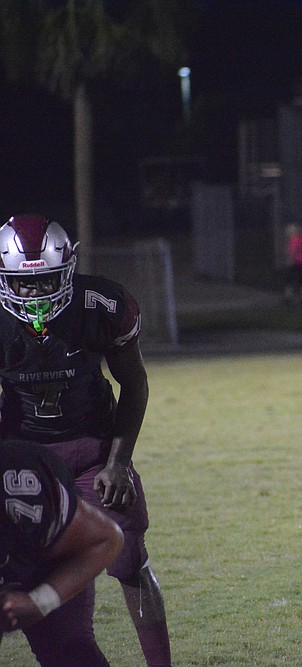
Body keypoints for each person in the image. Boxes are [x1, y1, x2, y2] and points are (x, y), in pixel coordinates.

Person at [0, 214, 172, 666]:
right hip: (25, 461)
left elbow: (134, 382)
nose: (36, 294)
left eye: (46, 280)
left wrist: (118, 461)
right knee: (34, 575)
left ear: (69, 268)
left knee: (129, 557)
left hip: (92, 451)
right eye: (24, 284)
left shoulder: (100, 305)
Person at [1, 439, 124, 666]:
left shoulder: (22, 481)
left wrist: (39, 602)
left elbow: (104, 539)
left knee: (69, 649)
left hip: (41, 559)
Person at [283, 223, 302, 303]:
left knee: (290, 279)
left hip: (295, 262)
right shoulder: (301, 239)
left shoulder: (294, 239)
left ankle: (289, 296)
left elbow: (293, 251)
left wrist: (289, 260)